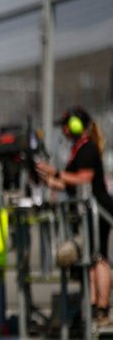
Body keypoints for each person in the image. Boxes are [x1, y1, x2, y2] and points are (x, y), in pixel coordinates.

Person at [36, 106, 113, 326]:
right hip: (86, 210)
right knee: (89, 259)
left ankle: (102, 307)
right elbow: (69, 183)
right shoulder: (78, 149)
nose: (64, 130)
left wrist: (56, 173)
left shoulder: (88, 148)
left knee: (99, 258)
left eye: (67, 125)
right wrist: (49, 180)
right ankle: (92, 306)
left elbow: (84, 177)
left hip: (98, 208)